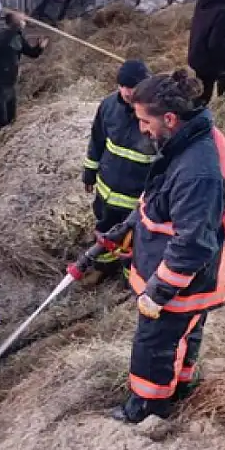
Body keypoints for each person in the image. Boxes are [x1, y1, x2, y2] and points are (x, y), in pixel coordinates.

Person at [92, 70, 225, 424]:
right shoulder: (185, 144)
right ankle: (181, 386)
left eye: (145, 120)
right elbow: (157, 201)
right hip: (189, 280)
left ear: (170, 119)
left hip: (184, 283)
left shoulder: (198, 172)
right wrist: (125, 229)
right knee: (184, 337)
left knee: (154, 344)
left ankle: (147, 409)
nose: (141, 128)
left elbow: (192, 244)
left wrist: (157, 294)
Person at [82, 59, 155, 283]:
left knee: (135, 239)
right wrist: (89, 172)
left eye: (133, 87)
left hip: (136, 199)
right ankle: (102, 267)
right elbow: (97, 139)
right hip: (107, 190)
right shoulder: (108, 106)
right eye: (123, 86)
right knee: (105, 229)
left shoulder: (156, 116)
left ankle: (130, 279)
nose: (128, 92)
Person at [0, 10, 48, 140]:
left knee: (10, 119)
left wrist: (39, 47)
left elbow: (32, 53)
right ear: (13, 22)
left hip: (9, 85)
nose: (24, 22)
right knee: (1, 120)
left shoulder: (17, 37)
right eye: (21, 19)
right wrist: (16, 27)